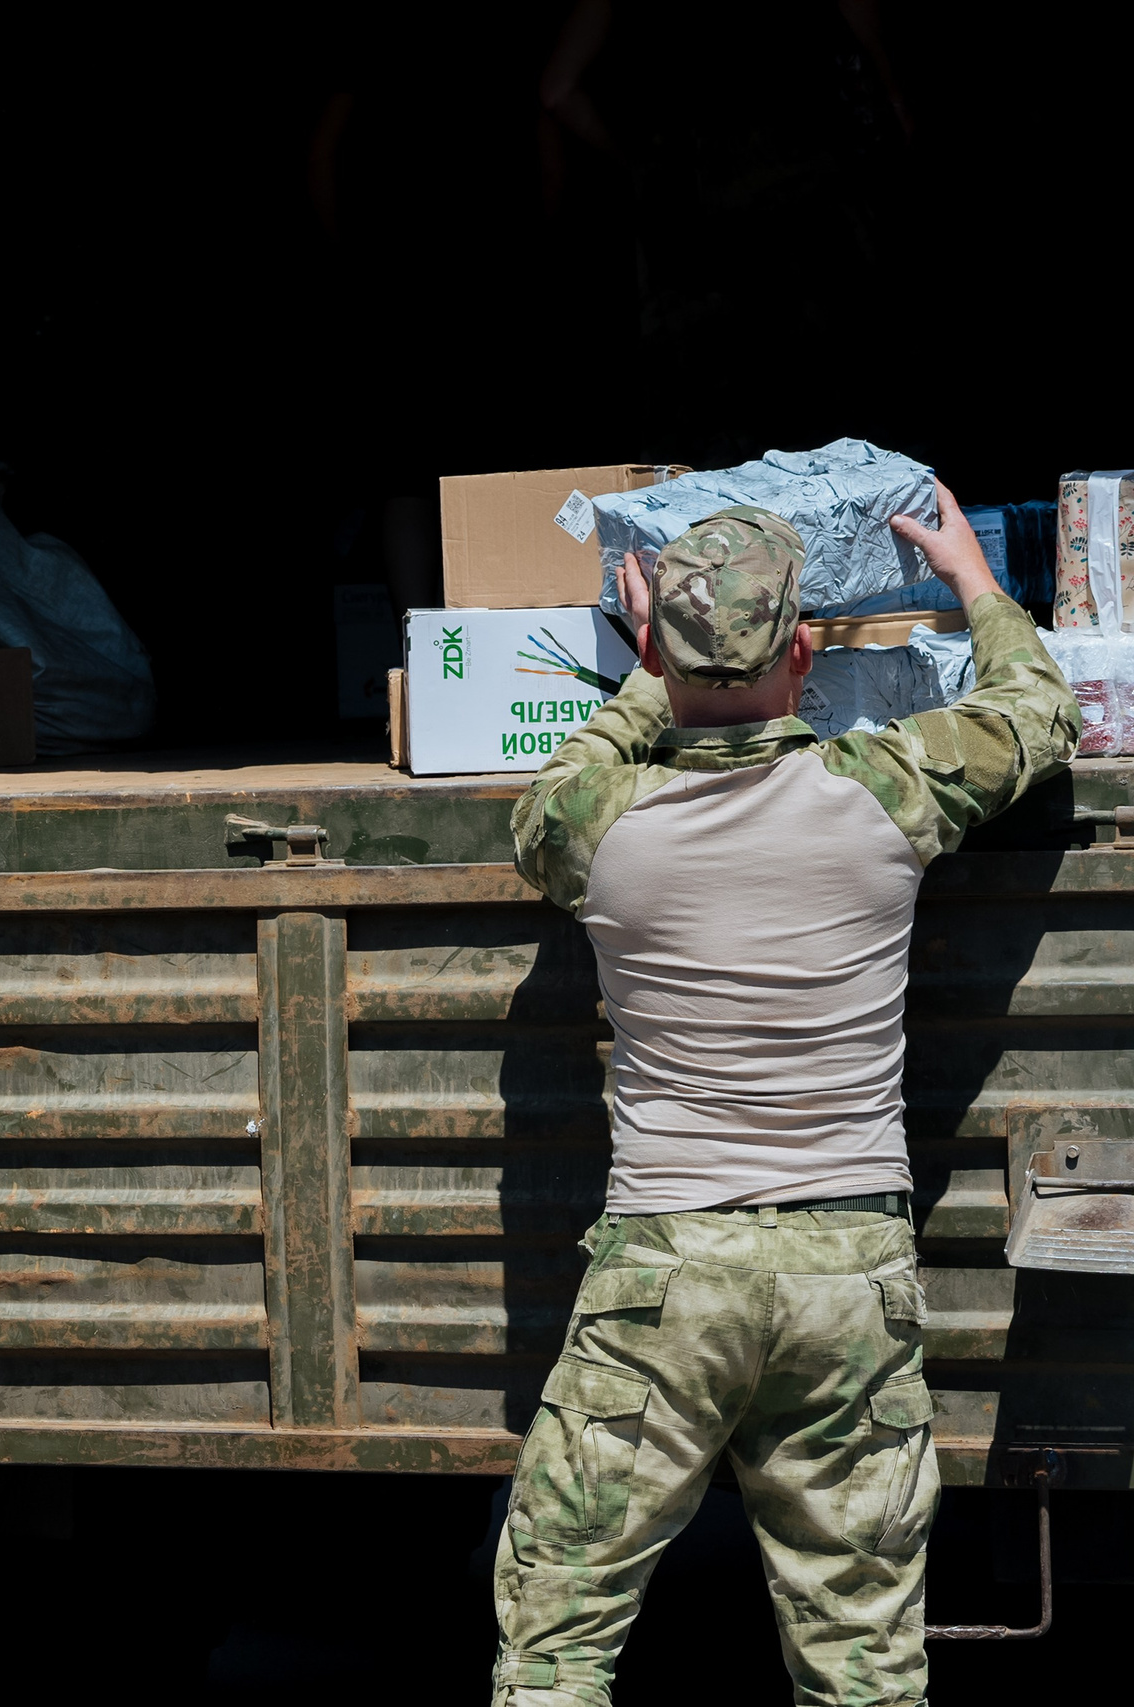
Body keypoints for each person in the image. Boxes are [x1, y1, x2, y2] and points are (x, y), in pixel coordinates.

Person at [493, 490, 1078, 1705]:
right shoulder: (885, 791)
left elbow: (562, 785)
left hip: (664, 1277)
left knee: (555, 1648)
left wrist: (655, 667)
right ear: (804, 654)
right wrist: (972, 580)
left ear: (653, 655)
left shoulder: (594, 823)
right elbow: (1036, 710)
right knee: (861, 1665)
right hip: (847, 1281)